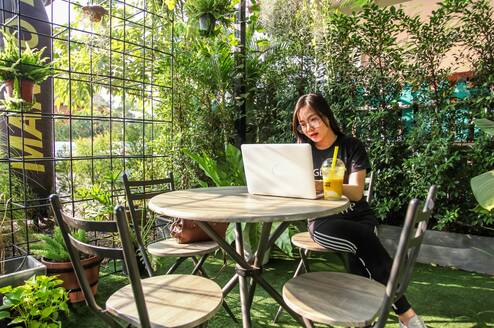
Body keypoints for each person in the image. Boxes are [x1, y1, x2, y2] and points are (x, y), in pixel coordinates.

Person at [292, 93, 426, 328]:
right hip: (324, 221)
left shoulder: (351, 146)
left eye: (313, 120)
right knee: (363, 241)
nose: (308, 128)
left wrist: (324, 184)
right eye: (302, 124)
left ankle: (362, 320)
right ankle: (406, 314)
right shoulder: (301, 153)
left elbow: (355, 192)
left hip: (358, 214)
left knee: (359, 251)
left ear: (326, 116)